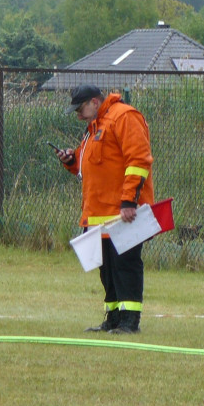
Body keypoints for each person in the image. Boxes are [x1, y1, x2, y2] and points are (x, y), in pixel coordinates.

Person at [55, 84, 154, 334]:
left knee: (125, 267)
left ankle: (130, 322)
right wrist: (71, 160)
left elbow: (138, 161)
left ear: (95, 102)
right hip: (100, 216)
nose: (78, 115)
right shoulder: (95, 127)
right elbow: (92, 162)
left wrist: (129, 201)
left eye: (80, 109)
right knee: (107, 270)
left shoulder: (124, 117)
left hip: (123, 214)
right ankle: (113, 318)